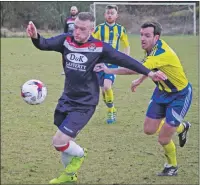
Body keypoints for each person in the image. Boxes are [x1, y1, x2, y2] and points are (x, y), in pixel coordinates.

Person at [26, 13, 167, 184]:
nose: (77, 31)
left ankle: (80, 154)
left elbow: (126, 60)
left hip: (85, 103)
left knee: (59, 141)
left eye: (82, 29)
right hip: (67, 98)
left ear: (91, 30)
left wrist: (150, 73)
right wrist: (35, 36)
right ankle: (70, 175)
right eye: (75, 27)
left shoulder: (100, 47)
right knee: (65, 138)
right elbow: (44, 44)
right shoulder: (66, 40)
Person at [94, 21, 192, 176]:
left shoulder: (160, 53)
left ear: (156, 37)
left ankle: (171, 166)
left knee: (163, 138)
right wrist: (140, 81)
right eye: (141, 35)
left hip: (179, 95)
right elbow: (151, 68)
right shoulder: (152, 48)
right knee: (149, 129)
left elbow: (135, 68)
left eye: (147, 35)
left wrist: (109, 69)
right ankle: (182, 127)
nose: (142, 39)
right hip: (161, 92)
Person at [93, 5, 130, 124]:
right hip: (100, 63)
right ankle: (111, 108)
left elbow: (126, 45)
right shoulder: (99, 28)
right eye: (108, 13)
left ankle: (110, 111)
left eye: (112, 13)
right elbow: (92, 43)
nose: (109, 15)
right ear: (105, 15)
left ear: (116, 15)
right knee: (103, 90)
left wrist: (124, 60)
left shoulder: (121, 29)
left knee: (107, 86)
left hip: (113, 63)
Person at [61, 6, 79, 75]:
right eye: (72, 10)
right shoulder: (67, 20)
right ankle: (65, 70)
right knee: (65, 55)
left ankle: (76, 69)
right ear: (70, 11)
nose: (73, 11)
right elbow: (65, 31)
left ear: (77, 11)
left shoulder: (79, 19)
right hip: (68, 40)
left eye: (74, 10)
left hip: (77, 40)